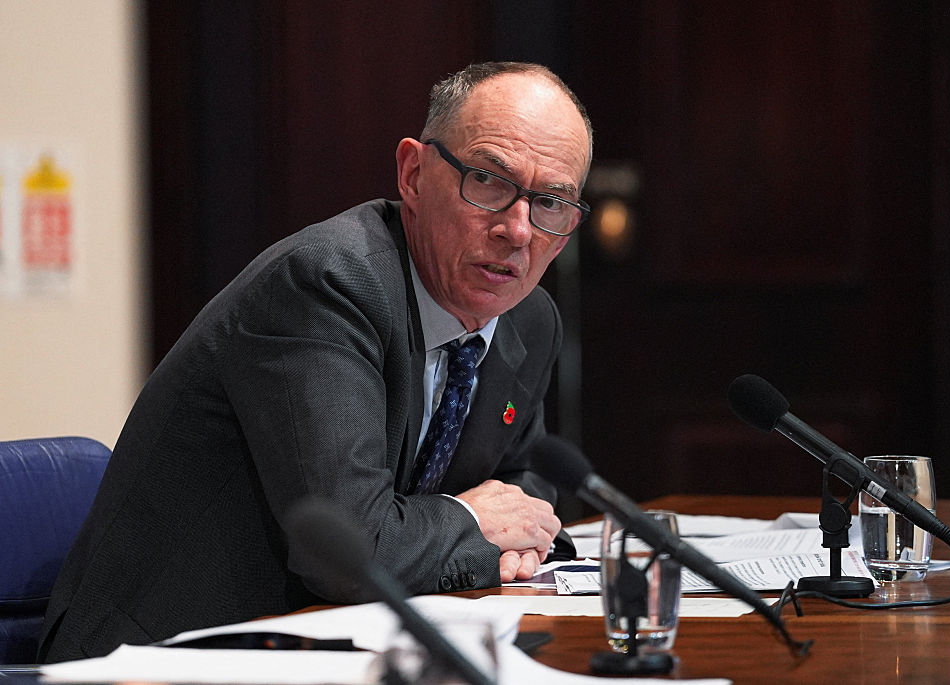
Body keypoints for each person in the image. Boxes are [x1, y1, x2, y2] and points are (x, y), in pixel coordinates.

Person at [39, 61, 593, 663]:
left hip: (340, 645)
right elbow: (352, 552)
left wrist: (501, 529)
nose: (518, 230)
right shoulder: (326, 285)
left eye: (551, 203)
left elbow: (523, 490)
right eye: (488, 180)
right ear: (413, 174)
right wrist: (469, 520)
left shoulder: (529, 319)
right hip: (170, 654)